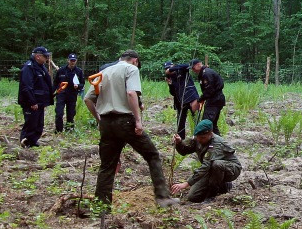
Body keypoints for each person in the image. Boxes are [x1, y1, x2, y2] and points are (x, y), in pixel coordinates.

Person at [82, 50, 180, 208]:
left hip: (106, 122)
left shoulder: (104, 71)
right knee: (152, 155)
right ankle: (163, 198)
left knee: (107, 165)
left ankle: (101, 205)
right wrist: (138, 121)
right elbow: (131, 93)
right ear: (135, 60)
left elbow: (87, 99)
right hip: (125, 121)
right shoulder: (131, 69)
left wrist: (99, 118)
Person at [170, 119, 242, 203]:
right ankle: (222, 185)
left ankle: (213, 193)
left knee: (217, 164)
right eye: (198, 137)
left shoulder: (217, 144)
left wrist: (186, 183)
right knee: (193, 197)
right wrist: (179, 143)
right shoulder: (198, 139)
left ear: (210, 134)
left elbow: (206, 166)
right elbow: (184, 151)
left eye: (203, 138)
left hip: (230, 169)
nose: (200, 140)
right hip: (210, 170)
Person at [18, 46, 54, 148]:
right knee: (31, 123)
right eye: (45, 56)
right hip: (31, 102)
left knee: (39, 124)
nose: (47, 58)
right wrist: (32, 102)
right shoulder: (28, 68)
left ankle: (33, 141)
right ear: (38, 56)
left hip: (40, 101)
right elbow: (26, 87)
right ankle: (25, 142)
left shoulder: (41, 67)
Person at [164, 61, 200, 138]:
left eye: (170, 68)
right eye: (167, 69)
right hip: (180, 102)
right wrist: (170, 85)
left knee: (196, 119)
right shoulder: (169, 77)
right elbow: (173, 93)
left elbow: (187, 65)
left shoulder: (181, 70)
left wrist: (171, 69)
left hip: (191, 98)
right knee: (180, 123)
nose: (168, 70)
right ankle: (181, 141)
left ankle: (198, 138)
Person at [191, 59, 226, 135]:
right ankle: (217, 143)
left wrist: (200, 100)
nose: (193, 70)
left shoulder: (206, 73)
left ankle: (209, 143)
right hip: (213, 100)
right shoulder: (203, 73)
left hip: (214, 100)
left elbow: (209, 90)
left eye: (193, 68)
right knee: (212, 125)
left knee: (205, 124)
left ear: (198, 65)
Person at [53, 53, 85, 133]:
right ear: (68, 60)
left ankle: (69, 129)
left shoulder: (79, 71)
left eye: (74, 60)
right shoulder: (61, 70)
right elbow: (55, 82)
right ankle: (58, 130)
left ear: (76, 61)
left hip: (72, 94)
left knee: (71, 113)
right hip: (61, 94)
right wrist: (52, 92)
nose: (72, 62)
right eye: (71, 60)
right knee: (59, 112)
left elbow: (82, 83)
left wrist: (78, 86)